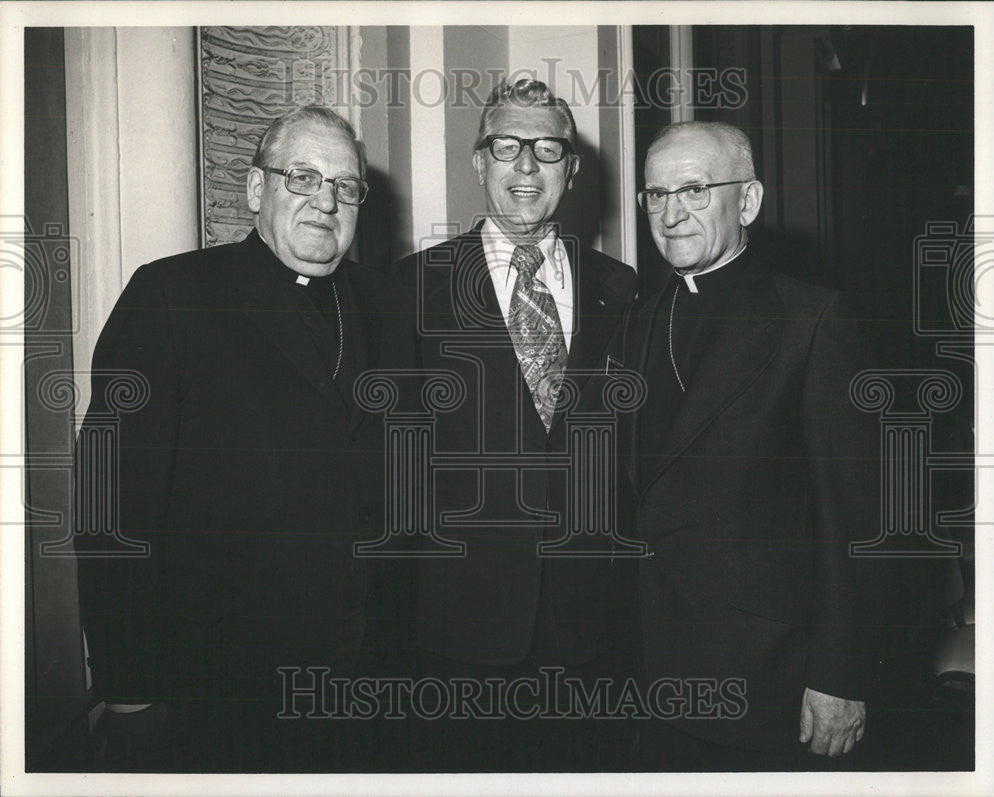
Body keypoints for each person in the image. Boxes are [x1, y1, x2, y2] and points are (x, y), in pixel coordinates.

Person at [73, 106, 409, 772]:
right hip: (219, 686)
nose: (326, 200)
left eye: (345, 186)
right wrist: (130, 686)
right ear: (258, 190)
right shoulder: (174, 296)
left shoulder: (385, 303)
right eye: (303, 177)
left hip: (363, 681)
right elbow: (113, 502)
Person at [392, 78, 638, 771]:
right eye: (507, 146)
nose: (526, 166)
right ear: (480, 162)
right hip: (453, 638)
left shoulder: (625, 291)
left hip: (595, 639)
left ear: (574, 168)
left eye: (548, 149)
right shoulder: (408, 290)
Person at [623, 121, 881, 771]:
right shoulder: (633, 320)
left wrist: (838, 676)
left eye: (694, 189)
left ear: (748, 202)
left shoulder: (813, 320)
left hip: (761, 675)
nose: (671, 213)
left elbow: (852, 520)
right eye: (655, 194)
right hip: (640, 672)